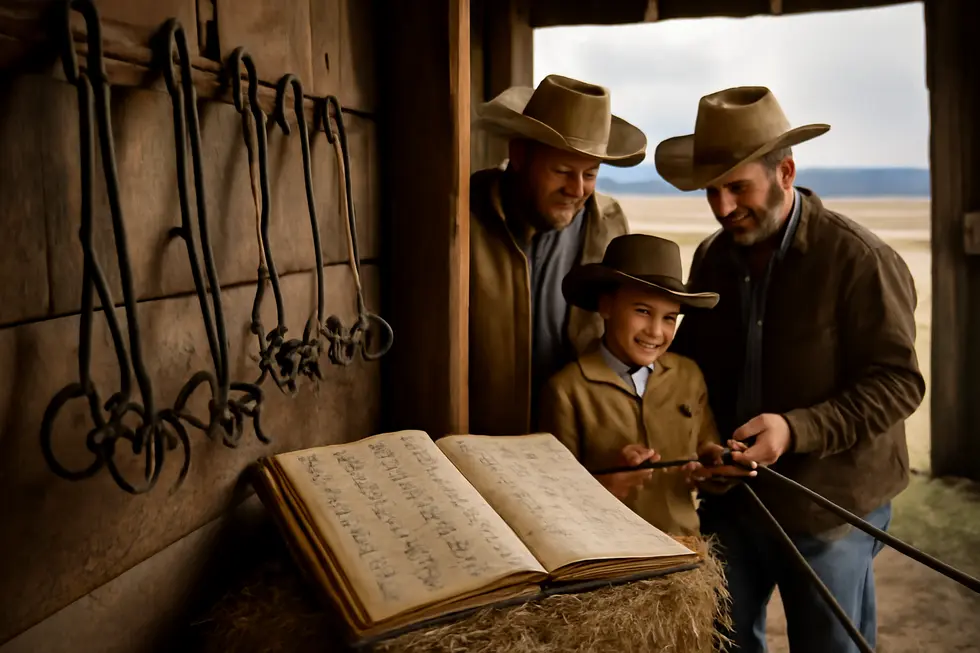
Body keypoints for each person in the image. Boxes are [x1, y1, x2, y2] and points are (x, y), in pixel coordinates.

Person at [658, 86, 926, 652]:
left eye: (738, 187)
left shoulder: (861, 260)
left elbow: (899, 383)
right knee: (722, 643)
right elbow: (695, 376)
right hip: (736, 502)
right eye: (712, 191)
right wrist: (702, 444)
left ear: (785, 171)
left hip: (831, 506)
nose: (723, 207)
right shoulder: (711, 257)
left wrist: (795, 428)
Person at [538, 233, 752, 537]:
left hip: (683, 552)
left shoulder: (687, 375)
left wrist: (716, 466)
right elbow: (551, 501)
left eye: (669, 318)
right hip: (607, 561)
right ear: (607, 306)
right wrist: (608, 486)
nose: (655, 331)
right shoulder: (567, 391)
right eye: (642, 311)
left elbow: (704, 446)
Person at [468, 74, 648, 436]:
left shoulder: (609, 224)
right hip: (474, 439)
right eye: (562, 171)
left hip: (575, 445)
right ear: (518, 155)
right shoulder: (465, 216)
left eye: (591, 174)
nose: (577, 189)